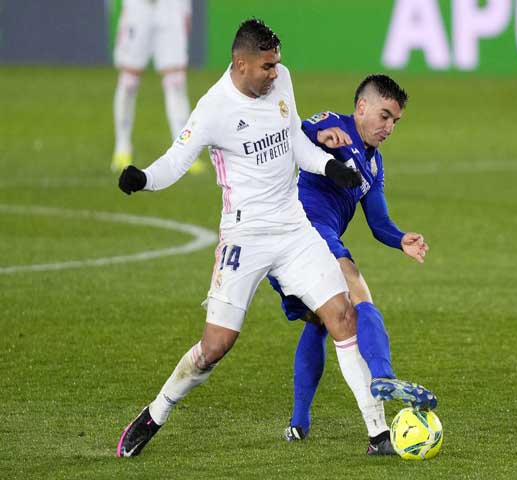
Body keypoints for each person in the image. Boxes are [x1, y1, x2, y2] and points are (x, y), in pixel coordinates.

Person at [114, 18, 409, 458]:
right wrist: (143, 177)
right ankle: (155, 412)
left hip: (293, 227)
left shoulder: (282, 82)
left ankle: (378, 434)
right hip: (244, 234)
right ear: (241, 63)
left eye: (277, 64)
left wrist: (329, 167)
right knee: (215, 347)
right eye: (267, 66)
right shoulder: (214, 108)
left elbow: (294, 144)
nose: (276, 73)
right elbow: (177, 160)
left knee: (342, 315)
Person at [268, 74, 436, 454]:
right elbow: (304, 129)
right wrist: (324, 132)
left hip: (303, 244)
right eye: (385, 115)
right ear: (362, 107)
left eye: (395, 121)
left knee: (322, 321)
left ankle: (298, 422)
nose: (389, 127)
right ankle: (383, 377)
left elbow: (378, 223)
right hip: (304, 232)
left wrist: (401, 238)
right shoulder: (336, 125)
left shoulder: (374, 167)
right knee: (357, 290)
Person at [111, 0, 203, 174]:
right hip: (139, 7)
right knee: (129, 80)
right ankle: (122, 148)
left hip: (171, 7)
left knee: (176, 81)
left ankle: (183, 152)